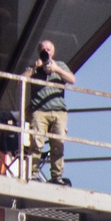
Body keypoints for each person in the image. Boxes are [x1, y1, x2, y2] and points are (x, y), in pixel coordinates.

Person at [25, 38, 75, 185]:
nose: (46, 52)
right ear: (38, 52)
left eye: (48, 49)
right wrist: (34, 69)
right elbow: (19, 81)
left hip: (59, 111)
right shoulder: (34, 67)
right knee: (36, 143)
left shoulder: (60, 65)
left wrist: (56, 70)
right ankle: (33, 174)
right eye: (43, 49)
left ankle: (56, 177)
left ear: (53, 52)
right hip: (39, 111)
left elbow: (72, 79)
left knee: (58, 144)